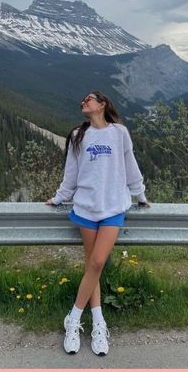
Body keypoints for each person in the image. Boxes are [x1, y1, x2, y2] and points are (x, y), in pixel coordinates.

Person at [45, 91, 150, 356]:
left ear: (103, 105)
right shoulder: (79, 135)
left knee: (97, 262)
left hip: (113, 206)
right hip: (86, 208)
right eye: (82, 99)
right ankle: (99, 324)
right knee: (93, 266)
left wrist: (140, 193)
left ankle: (73, 319)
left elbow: (130, 164)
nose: (84, 101)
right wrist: (59, 198)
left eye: (90, 98)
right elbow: (71, 173)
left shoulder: (119, 133)